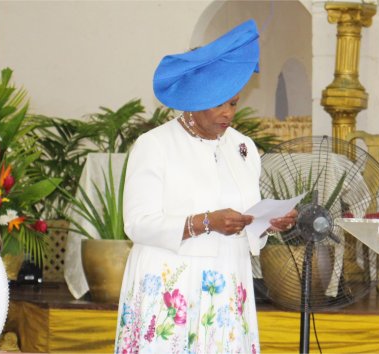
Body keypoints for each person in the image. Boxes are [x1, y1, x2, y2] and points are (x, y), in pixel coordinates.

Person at [114, 19, 296, 353]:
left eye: (234, 103)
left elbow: (246, 217)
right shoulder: (154, 145)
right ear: (192, 102)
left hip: (227, 281)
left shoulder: (243, 148)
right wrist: (204, 222)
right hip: (171, 282)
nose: (228, 114)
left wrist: (268, 223)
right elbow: (137, 224)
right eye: (219, 104)